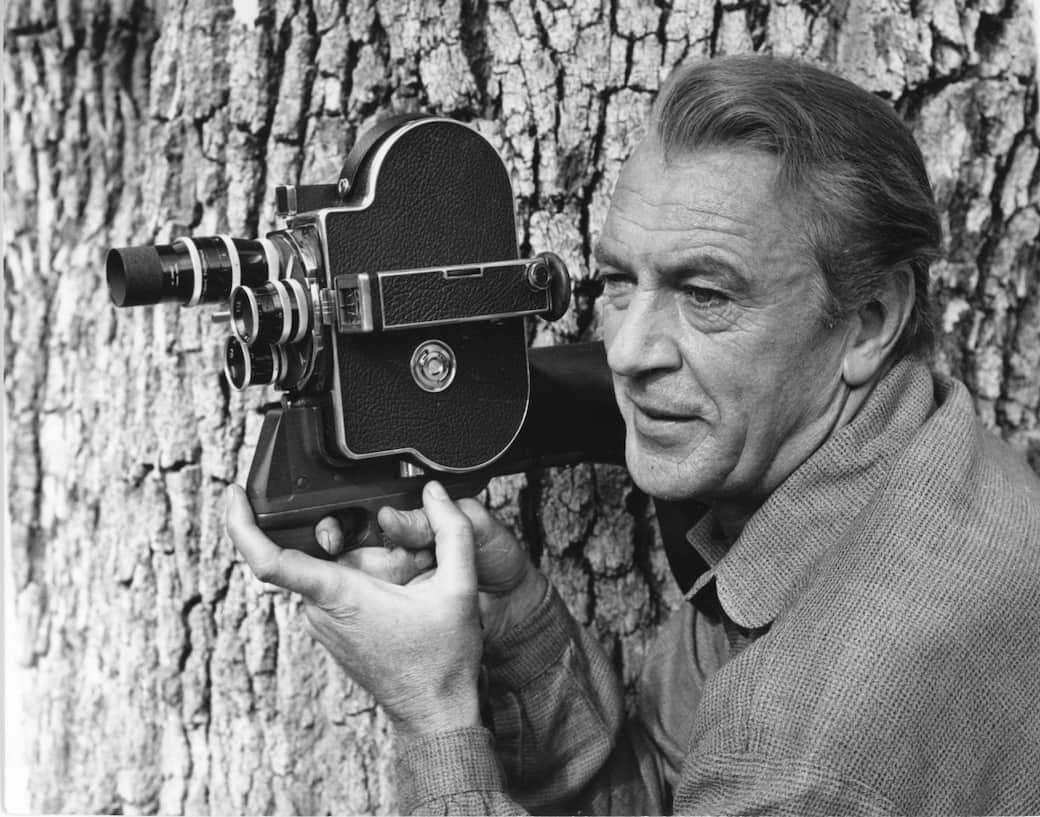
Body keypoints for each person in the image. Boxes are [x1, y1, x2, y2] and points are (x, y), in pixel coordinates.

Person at [226, 55, 1040, 815]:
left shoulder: (810, 744)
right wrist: (522, 640)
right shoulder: (903, 454)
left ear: (870, 320)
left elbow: (774, 761)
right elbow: (678, 788)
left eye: (707, 294)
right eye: (621, 281)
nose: (626, 350)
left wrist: (434, 714)